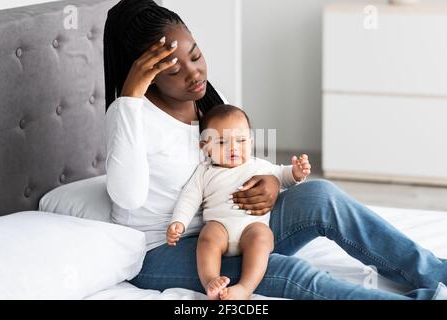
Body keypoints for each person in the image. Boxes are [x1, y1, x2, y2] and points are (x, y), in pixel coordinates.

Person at [104, 0, 447, 299]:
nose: (194, 74)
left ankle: (436, 274)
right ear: (144, 74)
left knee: (321, 196)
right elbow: (128, 197)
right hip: (167, 249)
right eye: (175, 70)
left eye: (196, 56)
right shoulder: (129, 115)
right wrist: (130, 99)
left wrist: (269, 182)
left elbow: (238, 162)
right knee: (286, 270)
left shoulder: (204, 99)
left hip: (232, 222)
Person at [166, 105, 311, 300]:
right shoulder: (204, 172)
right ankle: (211, 280)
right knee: (207, 238)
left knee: (262, 238)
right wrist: (179, 222)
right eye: (222, 142)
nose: (233, 148)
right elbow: (189, 198)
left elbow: (283, 175)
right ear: (205, 147)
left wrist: (297, 172)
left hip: (251, 227)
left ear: (250, 142)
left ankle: (244, 288)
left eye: (241, 141)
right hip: (220, 228)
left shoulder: (259, 165)